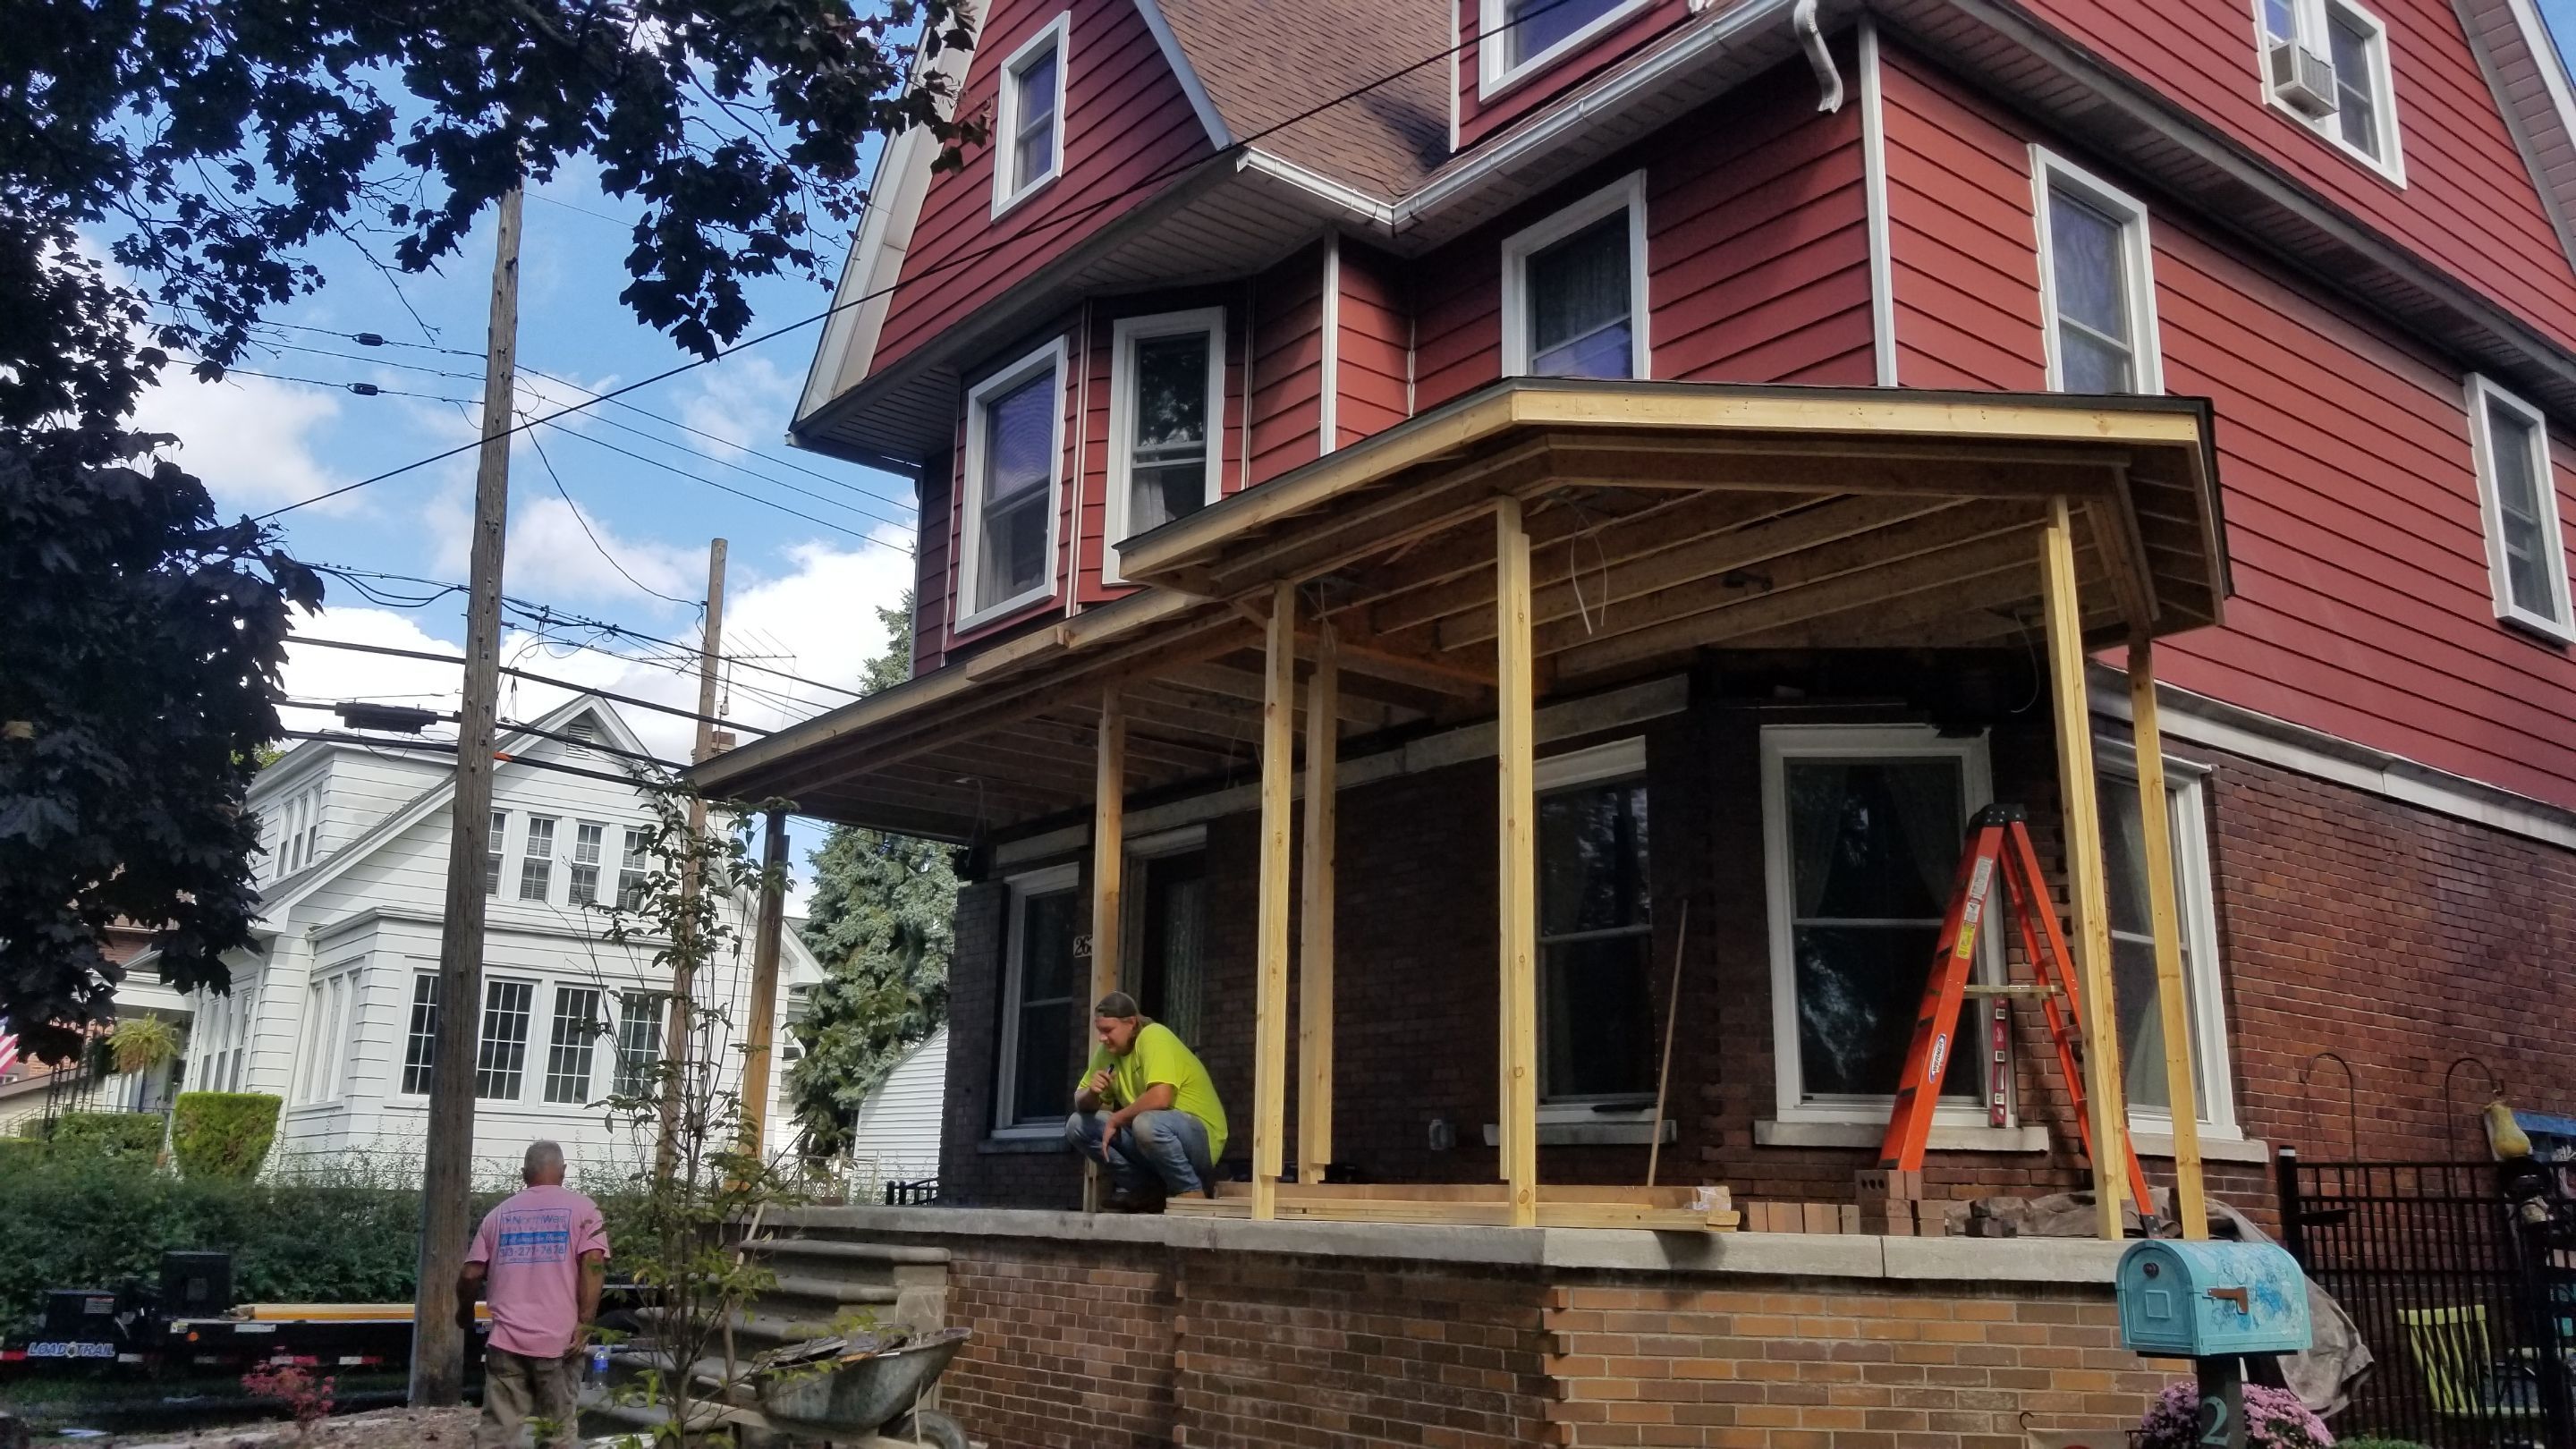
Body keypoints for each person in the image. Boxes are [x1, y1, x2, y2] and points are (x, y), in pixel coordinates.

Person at [458, 1140, 609, 1449]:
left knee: (497, 1430)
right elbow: (593, 1262)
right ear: (564, 1172)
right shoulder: (584, 1210)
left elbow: (470, 1273)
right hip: (559, 1343)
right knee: (558, 1431)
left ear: (523, 1173)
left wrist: (465, 1312)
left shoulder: (497, 1216)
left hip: (506, 1343)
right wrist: (585, 1323)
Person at [1063, 992, 1229, 1209]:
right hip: (1152, 1139)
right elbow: (1080, 1100)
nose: (1102, 1038)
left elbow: (1161, 1097)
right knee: (1078, 1125)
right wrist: (1092, 1093)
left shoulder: (1154, 1036)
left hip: (1201, 1139)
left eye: (1108, 1031)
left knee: (1146, 1123)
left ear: (1131, 1023)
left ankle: (1190, 1191)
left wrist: (1117, 1119)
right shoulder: (1107, 1052)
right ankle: (1147, 1191)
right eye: (1099, 1031)